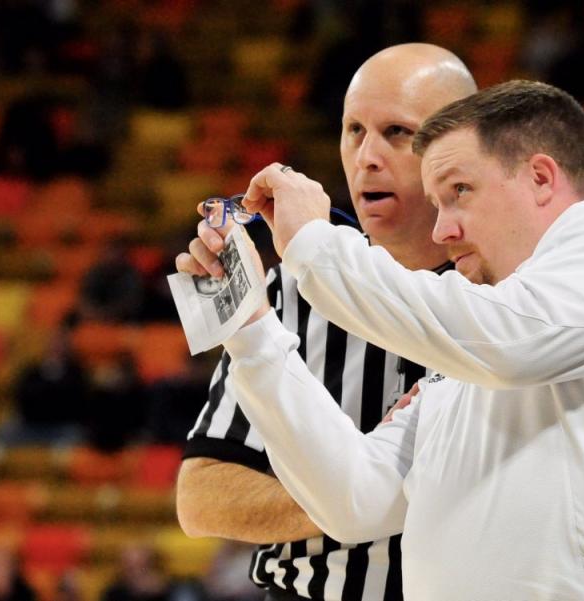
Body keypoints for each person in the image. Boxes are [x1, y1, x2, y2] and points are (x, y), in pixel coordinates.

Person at [175, 50, 584, 600]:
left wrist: (313, 244)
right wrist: (251, 331)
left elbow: (512, 342)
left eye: (458, 192)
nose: (443, 230)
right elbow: (354, 500)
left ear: (541, 178)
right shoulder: (464, 363)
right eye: (352, 130)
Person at [175, 44, 476, 601]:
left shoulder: (514, 290)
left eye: (398, 133)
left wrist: (367, 489)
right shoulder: (292, 289)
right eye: (354, 130)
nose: (367, 156)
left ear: (462, 150)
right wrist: (367, 489)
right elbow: (201, 497)